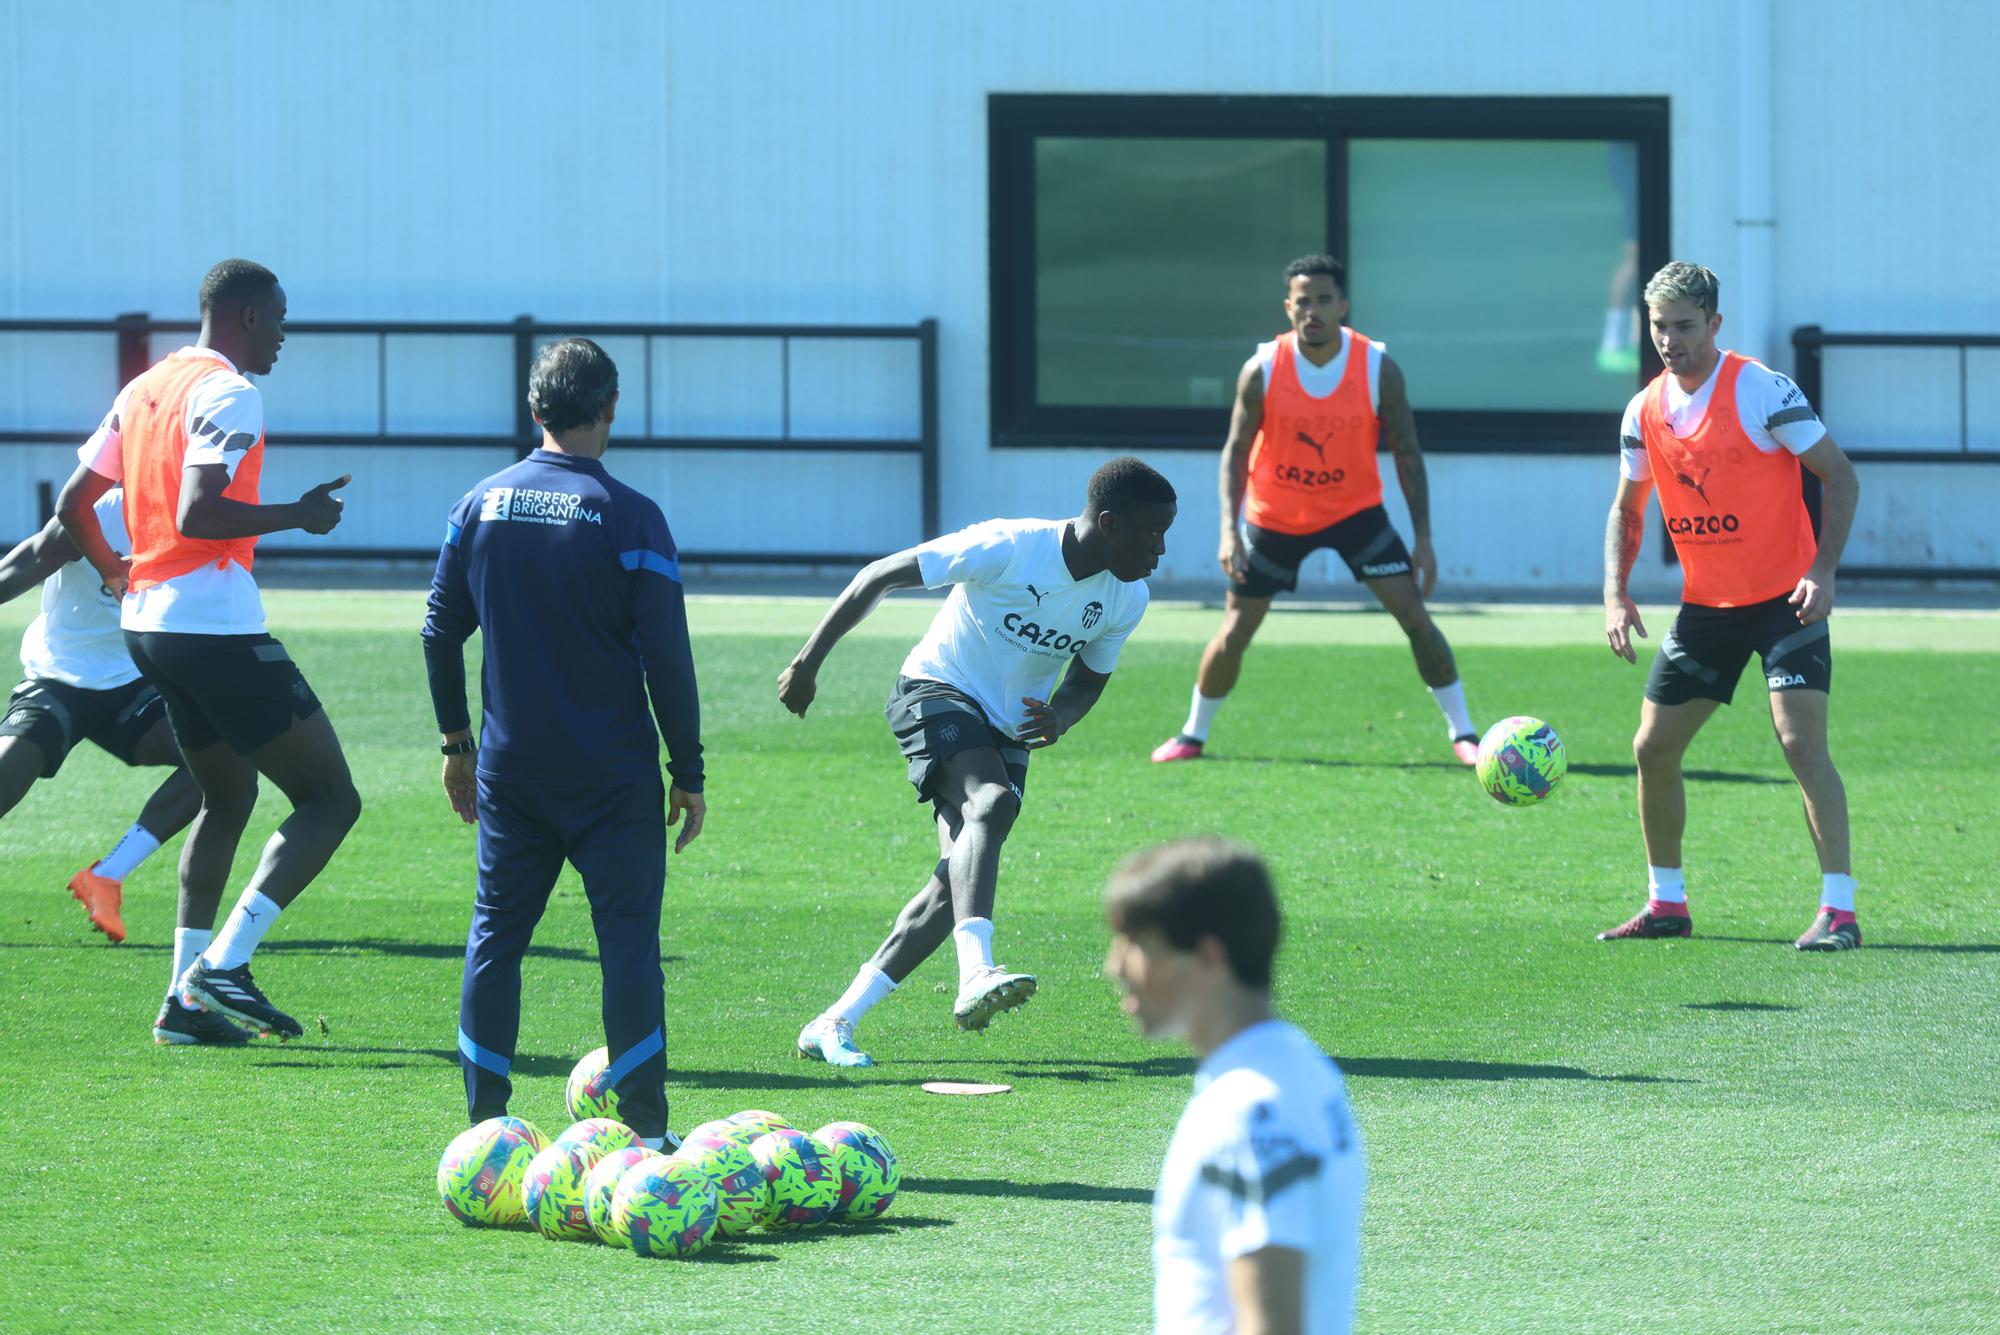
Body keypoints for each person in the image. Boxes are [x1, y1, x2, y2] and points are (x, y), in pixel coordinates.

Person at [783, 458, 1176, 1068]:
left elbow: (1089, 678)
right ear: (1109, 523)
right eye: (1153, 532)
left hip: (1006, 729)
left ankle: (834, 1022)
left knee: (953, 884)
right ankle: (977, 972)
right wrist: (808, 663)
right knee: (992, 803)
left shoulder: (1128, 597)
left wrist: (1061, 717)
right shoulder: (1009, 547)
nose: (1161, 549)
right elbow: (880, 575)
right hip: (934, 688)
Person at [56, 258, 362, 1039]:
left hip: (150, 624)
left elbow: (72, 503)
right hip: (212, 626)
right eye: (281, 316)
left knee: (227, 799)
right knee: (331, 799)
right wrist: (299, 513)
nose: (287, 333)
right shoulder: (230, 391)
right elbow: (199, 511)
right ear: (248, 315)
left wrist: (116, 569)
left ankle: (182, 1007)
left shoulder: (144, 388)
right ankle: (222, 966)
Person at [422, 337, 704, 1152]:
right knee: (626, 946)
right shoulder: (633, 516)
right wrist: (687, 770)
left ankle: (485, 1129)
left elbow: (440, 633)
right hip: (612, 777)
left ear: (534, 408)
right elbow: (667, 659)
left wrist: (455, 742)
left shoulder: (478, 505)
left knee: (495, 938)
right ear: (611, 407)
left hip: (511, 771)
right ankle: (648, 1135)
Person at [1600, 261, 1863, 950]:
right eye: (1659, 326)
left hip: (1786, 602)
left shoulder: (1760, 390)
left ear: (1715, 324)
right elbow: (1629, 509)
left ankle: (1839, 910)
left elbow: (1839, 475)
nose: (1670, 339)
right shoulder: (1644, 410)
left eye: (1684, 325)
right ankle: (1666, 903)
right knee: (1651, 747)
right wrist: (1615, 590)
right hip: (1707, 609)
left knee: (1802, 744)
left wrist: (1824, 570)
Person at [1150, 253, 1480, 767]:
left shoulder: (1378, 367)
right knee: (1235, 630)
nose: (1314, 312)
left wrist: (1424, 539)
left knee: (1415, 616)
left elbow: (1408, 455)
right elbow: (1236, 451)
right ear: (1288, 308)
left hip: (1356, 514)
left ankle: (1464, 733)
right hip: (1275, 516)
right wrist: (1228, 530)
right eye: (1303, 301)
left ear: (1343, 305)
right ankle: (1192, 734)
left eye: (1325, 300)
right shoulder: (1261, 370)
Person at [0, 491, 240, 1042]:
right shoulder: (103, 504)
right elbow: (29, 559)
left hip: (135, 682)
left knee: (221, 756)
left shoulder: (199, 515)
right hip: (58, 675)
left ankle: (106, 875)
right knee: (9, 770)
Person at [1104, 837, 1364, 1335]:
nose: (1115, 966)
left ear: (1207, 957)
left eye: (1137, 945)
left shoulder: (1250, 1111)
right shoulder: (1302, 1069)